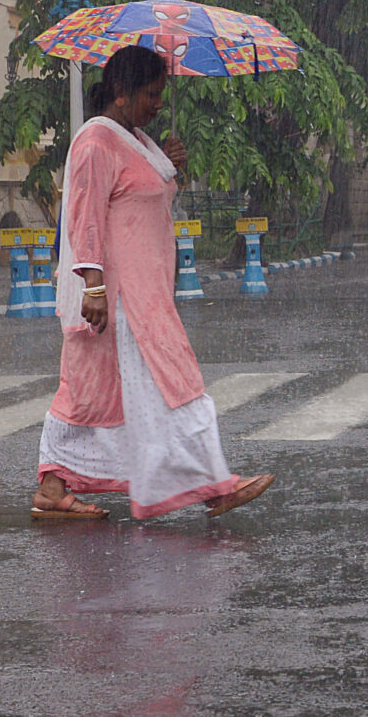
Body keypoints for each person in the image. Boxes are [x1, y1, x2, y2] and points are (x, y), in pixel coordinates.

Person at [34, 45, 273, 521]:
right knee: (176, 382)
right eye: (150, 93)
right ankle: (214, 485)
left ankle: (52, 489)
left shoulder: (136, 139)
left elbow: (140, 205)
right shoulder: (96, 140)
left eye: (161, 93)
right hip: (121, 297)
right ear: (120, 94)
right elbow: (84, 219)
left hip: (146, 292)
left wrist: (169, 165)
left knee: (89, 393)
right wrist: (95, 288)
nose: (158, 103)